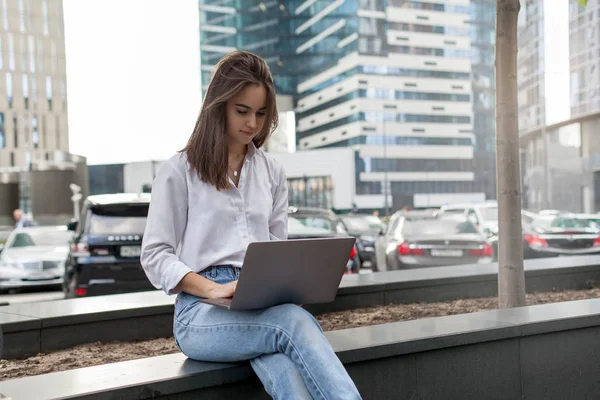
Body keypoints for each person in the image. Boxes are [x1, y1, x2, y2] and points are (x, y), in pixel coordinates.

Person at [141, 50, 361, 400]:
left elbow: (277, 249)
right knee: (291, 324)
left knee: (285, 364)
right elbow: (155, 255)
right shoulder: (179, 171)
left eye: (261, 114)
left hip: (261, 302)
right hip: (199, 312)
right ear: (219, 106)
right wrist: (212, 289)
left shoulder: (271, 172)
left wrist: (289, 287)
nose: (253, 124)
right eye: (242, 111)